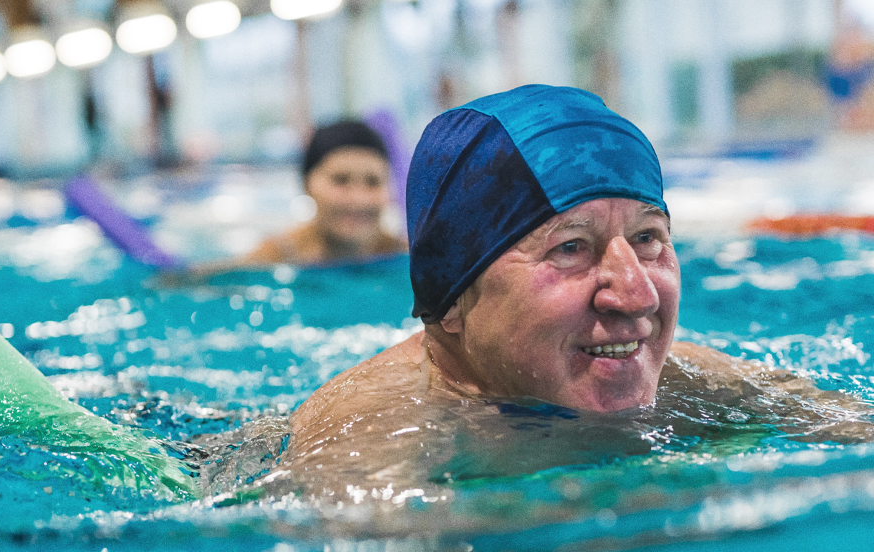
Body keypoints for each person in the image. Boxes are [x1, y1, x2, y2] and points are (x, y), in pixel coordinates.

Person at [282, 85, 874, 495]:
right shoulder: (372, 438)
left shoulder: (695, 381)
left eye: (647, 238)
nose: (637, 296)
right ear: (451, 298)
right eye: (570, 247)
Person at [239, 120, 407, 266]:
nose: (358, 198)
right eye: (341, 180)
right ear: (307, 184)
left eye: (373, 182)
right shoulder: (266, 261)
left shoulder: (410, 258)